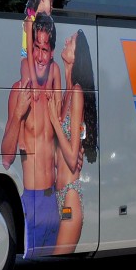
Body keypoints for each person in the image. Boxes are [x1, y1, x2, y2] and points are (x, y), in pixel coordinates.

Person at [2, 12, 62, 256]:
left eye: (45, 49)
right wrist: (18, 114)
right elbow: (6, 158)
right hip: (33, 199)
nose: (39, 56)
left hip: (53, 200)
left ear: (51, 53)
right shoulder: (19, 92)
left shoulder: (54, 93)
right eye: (35, 47)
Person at [52, 29, 98, 255]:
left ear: (77, 56)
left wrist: (54, 121)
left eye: (72, 41)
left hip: (70, 195)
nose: (67, 40)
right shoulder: (65, 94)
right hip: (58, 194)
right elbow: (61, 155)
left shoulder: (77, 92)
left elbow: (71, 159)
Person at [19, 0, 55, 90]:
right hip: (27, 57)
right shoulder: (30, 20)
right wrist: (34, 82)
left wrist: (49, 83)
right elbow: (29, 53)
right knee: (27, 78)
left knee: (55, 68)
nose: (52, 7)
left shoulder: (47, 20)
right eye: (51, 1)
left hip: (39, 56)